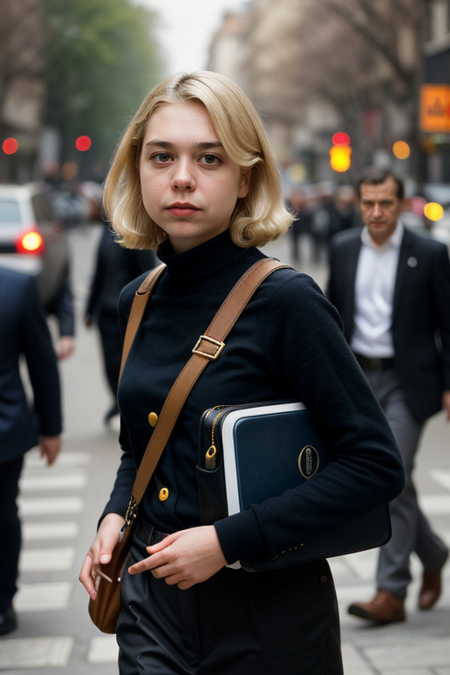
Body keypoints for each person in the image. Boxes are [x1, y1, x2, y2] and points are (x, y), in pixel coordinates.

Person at [79, 72, 404, 674]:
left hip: (270, 615)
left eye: (209, 158)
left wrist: (228, 541)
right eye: (162, 156)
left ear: (245, 177)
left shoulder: (287, 302)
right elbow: (140, 445)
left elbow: (375, 465)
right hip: (152, 608)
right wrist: (113, 514)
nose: (182, 176)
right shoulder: (138, 300)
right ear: (137, 170)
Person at [327, 167, 450, 624]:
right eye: (368, 203)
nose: (376, 212)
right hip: (357, 379)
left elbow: (448, 324)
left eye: (385, 203)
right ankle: (434, 554)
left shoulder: (430, 253)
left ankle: (390, 591)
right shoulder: (341, 248)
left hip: (408, 381)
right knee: (386, 477)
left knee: (390, 475)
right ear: (359, 204)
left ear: (401, 204)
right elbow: (332, 317)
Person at [0, 267, 62, 636]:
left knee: (3, 515)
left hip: (4, 431)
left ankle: (3, 597)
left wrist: (50, 427)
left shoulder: (17, 286)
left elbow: (42, 360)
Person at [85, 222, 157, 425]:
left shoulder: (135, 235)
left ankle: (127, 405)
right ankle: (116, 401)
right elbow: (99, 273)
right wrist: (90, 309)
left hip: (128, 311)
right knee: (110, 363)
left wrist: (148, 311)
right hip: (105, 311)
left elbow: (148, 274)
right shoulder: (105, 233)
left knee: (127, 363)